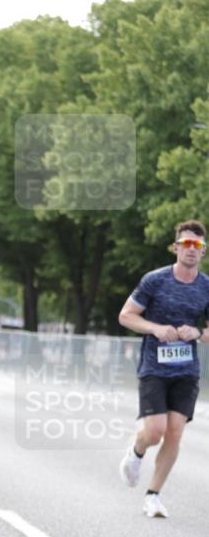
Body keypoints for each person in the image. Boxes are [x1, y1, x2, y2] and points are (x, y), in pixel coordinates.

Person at [118, 220, 209, 517]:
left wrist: (197, 333)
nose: (191, 250)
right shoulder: (155, 280)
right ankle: (137, 450)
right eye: (186, 244)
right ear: (176, 247)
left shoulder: (206, 287)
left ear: (204, 251)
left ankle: (153, 495)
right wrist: (156, 329)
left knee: (175, 433)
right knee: (155, 432)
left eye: (197, 245)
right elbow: (126, 316)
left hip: (186, 371)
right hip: (154, 368)